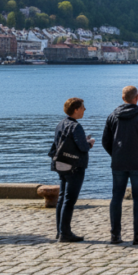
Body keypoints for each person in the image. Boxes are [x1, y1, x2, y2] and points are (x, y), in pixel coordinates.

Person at [103, 85, 138, 245]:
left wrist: (115, 154)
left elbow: (105, 141)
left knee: (116, 197)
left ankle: (115, 235)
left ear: (123, 98)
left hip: (119, 162)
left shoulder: (113, 116)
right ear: (136, 98)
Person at [48, 98, 94, 242]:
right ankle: (65, 233)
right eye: (83, 107)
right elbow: (83, 148)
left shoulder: (60, 124)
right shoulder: (76, 127)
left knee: (62, 198)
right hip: (74, 167)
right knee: (69, 199)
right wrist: (89, 143)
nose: (84, 110)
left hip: (61, 164)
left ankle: (60, 231)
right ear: (76, 110)